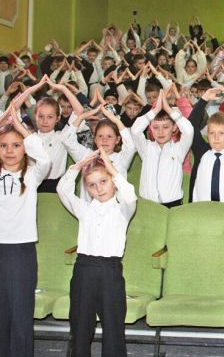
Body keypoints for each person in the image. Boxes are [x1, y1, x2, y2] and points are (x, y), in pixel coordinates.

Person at [56, 149, 137, 356]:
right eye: (92, 185)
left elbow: (129, 195)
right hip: (84, 269)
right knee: (80, 325)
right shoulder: (84, 209)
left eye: (103, 181)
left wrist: (112, 169)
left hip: (110, 271)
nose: (99, 189)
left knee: (113, 326)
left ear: (113, 182)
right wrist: (78, 165)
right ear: (87, 189)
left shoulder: (122, 210)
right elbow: (63, 190)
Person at [0, 105, 51, 357]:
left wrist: (20, 127)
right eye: (3, 145)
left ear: (25, 148)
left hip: (21, 251)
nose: (9, 151)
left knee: (21, 313)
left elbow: (46, 159)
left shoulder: (32, 175)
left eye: (16, 145)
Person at [130, 89, 193, 208]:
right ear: (150, 128)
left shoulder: (178, 149)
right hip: (147, 203)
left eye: (165, 127)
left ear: (174, 127)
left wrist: (168, 109)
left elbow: (189, 131)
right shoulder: (146, 148)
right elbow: (135, 130)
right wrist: (155, 111)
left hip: (173, 204)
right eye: (156, 127)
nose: (160, 132)